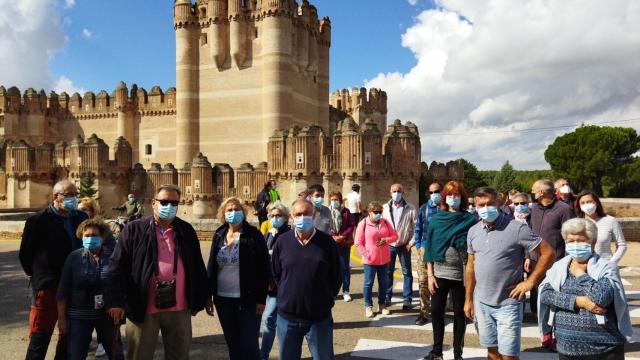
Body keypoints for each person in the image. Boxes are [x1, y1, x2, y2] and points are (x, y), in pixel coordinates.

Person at [105, 184, 209, 360]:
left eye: (174, 203)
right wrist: (115, 301)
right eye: (164, 201)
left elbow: (197, 266)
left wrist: (204, 296)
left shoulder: (186, 230)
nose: (169, 206)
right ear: (153, 203)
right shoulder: (134, 229)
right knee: (139, 356)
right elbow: (117, 266)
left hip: (179, 307)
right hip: (143, 307)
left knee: (179, 355)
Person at [465, 187, 555, 360]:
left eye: (490, 203)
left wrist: (530, 282)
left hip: (508, 303)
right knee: (491, 351)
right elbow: (470, 267)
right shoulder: (473, 231)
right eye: (481, 205)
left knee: (509, 356)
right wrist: (468, 299)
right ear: (475, 206)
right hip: (482, 302)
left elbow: (548, 253)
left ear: (498, 202)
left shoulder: (517, 228)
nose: (486, 208)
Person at [538, 218, 632, 360]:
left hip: (604, 350)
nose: (575, 245)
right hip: (567, 349)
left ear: (593, 243)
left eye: (581, 241)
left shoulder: (606, 267)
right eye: (571, 241)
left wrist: (580, 274)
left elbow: (602, 297)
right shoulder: (559, 266)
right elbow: (545, 294)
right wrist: (579, 301)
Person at [20, 179, 88, 359]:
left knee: (69, 335)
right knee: (40, 334)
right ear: (55, 197)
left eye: (75, 195)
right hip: (49, 286)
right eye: (68, 195)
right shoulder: (38, 221)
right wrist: (40, 277)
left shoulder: (81, 218)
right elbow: (26, 254)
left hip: (76, 285)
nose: (73, 199)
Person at [271, 199, 342, 360]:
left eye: (306, 214)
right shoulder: (282, 242)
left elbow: (336, 275)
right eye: (298, 214)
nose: (302, 218)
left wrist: (324, 297)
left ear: (314, 214)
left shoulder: (327, 242)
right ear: (291, 217)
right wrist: (286, 294)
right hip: (287, 318)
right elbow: (276, 273)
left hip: (319, 318)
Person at [206, 197, 270, 360]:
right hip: (223, 299)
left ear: (243, 212)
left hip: (248, 299)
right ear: (223, 214)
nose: (233, 213)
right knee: (232, 343)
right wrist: (208, 296)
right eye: (229, 210)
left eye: (236, 209)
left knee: (249, 345)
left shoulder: (253, 235)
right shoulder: (219, 234)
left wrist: (261, 299)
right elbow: (212, 267)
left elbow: (264, 268)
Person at [422, 181, 477, 360]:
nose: (453, 198)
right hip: (439, 274)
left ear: (462, 198)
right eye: (450, 195)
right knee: (437, 312)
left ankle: (457, 353)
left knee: (460, 315)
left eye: (457, 195)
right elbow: (429, 247)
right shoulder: (437, 219)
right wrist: (430, 274)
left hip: (461, 275)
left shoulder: (470, 220)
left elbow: (474, 249)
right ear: (445, 198)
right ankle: (437, 351)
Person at [56, 218, 124, 360]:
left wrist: (120, 305)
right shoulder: (73, 258)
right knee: (75, 355)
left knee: (116, 354)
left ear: (103, 237)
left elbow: (121, 284)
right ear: (81, 236)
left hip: (107, 316)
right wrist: (62, 319)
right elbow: (63, 290)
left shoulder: (113, 256)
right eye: (87, 236)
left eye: (95, 235)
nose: (91, 238)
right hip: (78, 317)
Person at [78, 196, 113, 357]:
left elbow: (114, 251)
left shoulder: (103, 230)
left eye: (85, 209)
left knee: (102, 316)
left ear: (92, 211)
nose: (81, 212)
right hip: (81, 282)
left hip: (101, 280)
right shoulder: (75, 227)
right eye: (80, 209)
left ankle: (102, 342)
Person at [354, 201, 398, 318]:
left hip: (384, 259)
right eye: (376, 212)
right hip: (370, 260)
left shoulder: (385, 222)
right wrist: (366, 254)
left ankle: (382, 305)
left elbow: (395, 236)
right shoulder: (363, 223)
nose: (378, 214)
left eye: (380, 212)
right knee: (368, 283)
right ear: (369, 212)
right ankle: (368, 306)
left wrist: (386, 240)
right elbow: (358, 242)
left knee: (383, 283)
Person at [260, 202, 291, 360]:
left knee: (271, 320)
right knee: (270, 321)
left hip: (283, 285)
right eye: (272, 216)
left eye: (279, 216)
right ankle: (264, 355)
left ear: (286, 217)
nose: (275, 218)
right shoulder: (268, 234)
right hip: (270, 285)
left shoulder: (289, 235)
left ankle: (268, 355)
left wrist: (273, 253)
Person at [382, 183, 417, 310]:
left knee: (407, 272)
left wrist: (411, 243)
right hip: (389, 245)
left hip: (404, 245)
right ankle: (387, 296)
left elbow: (415, 227)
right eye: (394, 191)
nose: (396, 193)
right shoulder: (385, 208)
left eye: (399, 191)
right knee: (388, 272)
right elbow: (381, 226)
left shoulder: (410, 208)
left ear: (403, 193)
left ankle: (407, 299)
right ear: (390, 192)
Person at [413, 181, 442, 326]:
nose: (434, 195)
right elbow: (418, 228)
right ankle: (424, 313)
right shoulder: (424, 208)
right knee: (423, 282)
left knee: (440, 283)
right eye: (431, 192)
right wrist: (418, 246)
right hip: (424, 249)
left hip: (442, 251)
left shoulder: (446, 208)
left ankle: (438, 312)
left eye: (436, 191)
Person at [576, 191, 627, 264]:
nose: (586, 205)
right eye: (582, 203)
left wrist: (611, 263)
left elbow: (622, 245)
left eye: (589, 201)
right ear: (579, 206)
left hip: (605, 266)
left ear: (596, 202)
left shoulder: (610, 220)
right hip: (582, 267)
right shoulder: (576, 223)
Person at [530, 179, 575, 260]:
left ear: (541, 192)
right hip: (534, 260)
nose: (532, 193)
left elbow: (570, 237)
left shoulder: (564, 209)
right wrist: (528, 257)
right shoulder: (534, 209)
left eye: (533, 190)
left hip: (554, 261)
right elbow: (529, 233)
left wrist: (567, 261)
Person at [512, 192, 538, 314]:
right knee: (516, 283)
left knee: (533, 283)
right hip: (514, 256)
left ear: (528, 203)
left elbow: (535, 238)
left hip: (531, 255)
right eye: (517, 203)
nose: (520, 206)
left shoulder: (533, 217)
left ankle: (534, 311)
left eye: (523, 203)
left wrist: (528, 256)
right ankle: (518, 310)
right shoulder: (509, 218)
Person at [329, 191, 355, 302]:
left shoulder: (346, 211)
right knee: (330, 268)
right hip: (330, 243)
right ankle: (331, 290)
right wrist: (333, 236)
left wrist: (342, 236)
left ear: (340, 200)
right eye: (332, 199)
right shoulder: (327, 211)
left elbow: (351, 226)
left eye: (336, 200)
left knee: (344, 267)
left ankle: (346, 291)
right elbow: (325, 225)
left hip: (343, 243)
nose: (334, 202)